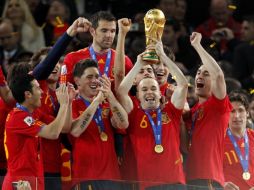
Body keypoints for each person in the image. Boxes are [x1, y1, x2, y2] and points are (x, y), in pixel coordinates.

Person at [117, 38, 188, 189]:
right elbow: (121, 91)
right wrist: (138, 64)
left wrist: (163, 56)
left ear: (160, 91)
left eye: (153, 88)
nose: (150, 92)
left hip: (176, 182)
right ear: (137, 95)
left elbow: (183, 84)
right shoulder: (134, 113)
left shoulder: (171, 110)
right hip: (148, 185)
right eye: (144, 89)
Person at [2, 69, 72, 190]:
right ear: (28, 94)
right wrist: (63, 104)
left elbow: (64, 127)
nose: (41, 92)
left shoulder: (34, 113)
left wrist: (69, 102)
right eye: (38, 88)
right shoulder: (17, 117)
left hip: (35, 179)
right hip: (20, 183)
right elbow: (53, 133)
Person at [70, 59, 129, 189]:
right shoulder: (71, 104)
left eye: (97, 76)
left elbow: (123, 124)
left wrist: (110, 96)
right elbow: (75, 131)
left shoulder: (107, 104)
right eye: (89, 77)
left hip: (112, 176)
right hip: (86, 176)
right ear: (77, 81)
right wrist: (96, 101)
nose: (95, 80)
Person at [184, 32, 232, 189]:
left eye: (206, 74)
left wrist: (197, 45)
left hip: (207, 177)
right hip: (188, 176)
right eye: (198, 73)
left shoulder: (218, 106)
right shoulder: (193, 111)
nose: (199, 76)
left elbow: (218, 75)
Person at [63, 11, 133, 84]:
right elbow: (63, 90)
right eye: (104, 30)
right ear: (92, 31)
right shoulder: (73, 58)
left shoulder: (124, 60)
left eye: (112, 31)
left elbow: (130, 93)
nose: (109, 35)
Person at [223, 91, 254, 190]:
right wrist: (222, 184)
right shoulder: (217, 141)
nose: (236, 116)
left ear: (247, 113)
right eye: (232, 111)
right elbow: (209, 173)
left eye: (240, 110)